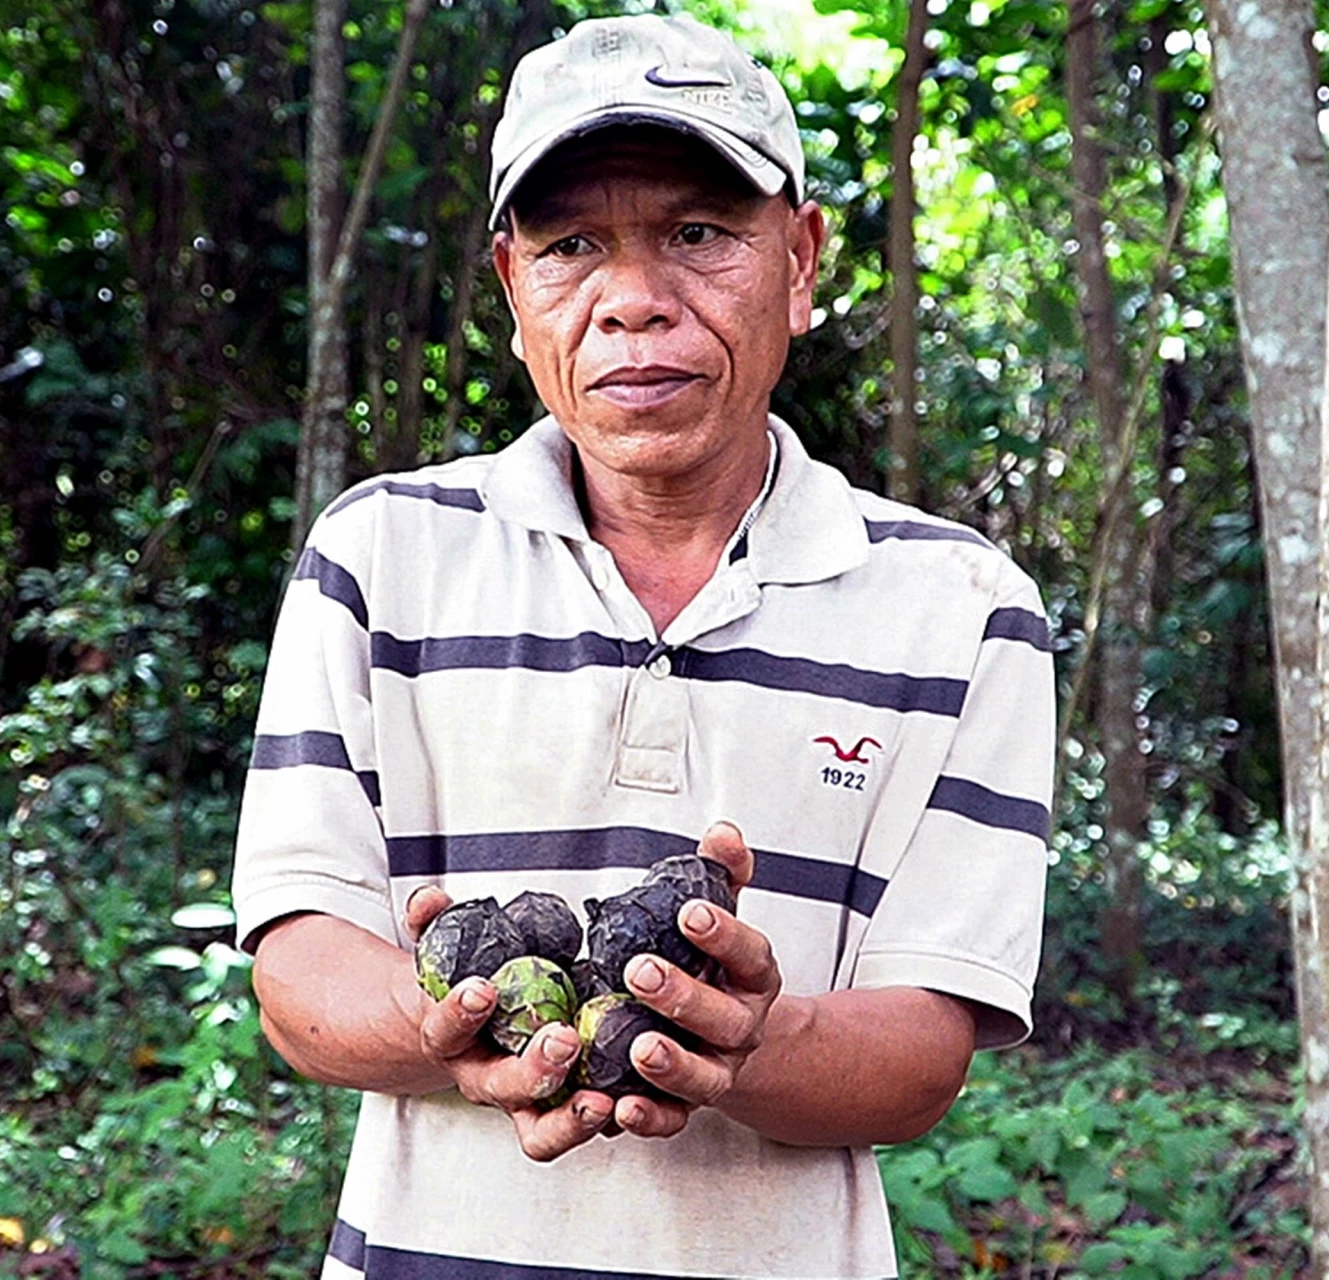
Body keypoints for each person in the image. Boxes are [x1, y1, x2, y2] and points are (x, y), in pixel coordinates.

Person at [232, 14, 1053, 1279]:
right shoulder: (378, 557)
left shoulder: (959, 605)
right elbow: (298, 969)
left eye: (699, 233)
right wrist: (449, 1019)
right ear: (514, 290)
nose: (631, 301)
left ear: (802, 260)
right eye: (572, 247)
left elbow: (924, 1048)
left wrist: (749, 1039)